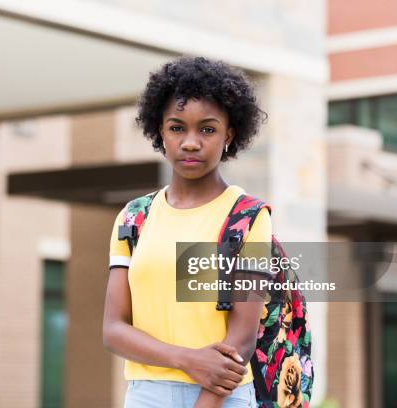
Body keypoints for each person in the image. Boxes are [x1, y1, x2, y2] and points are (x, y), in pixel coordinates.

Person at [102, 56, 272, 408]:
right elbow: (114, 330)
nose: (191, 142)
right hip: (147, 394)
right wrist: (187, 359)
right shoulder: (134, 218)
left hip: (223, 396)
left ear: (230, 134)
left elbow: (241, 339)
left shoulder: (247, 217)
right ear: (160, 132)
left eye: (207, 129)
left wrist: (205, 402)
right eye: (177, 128)